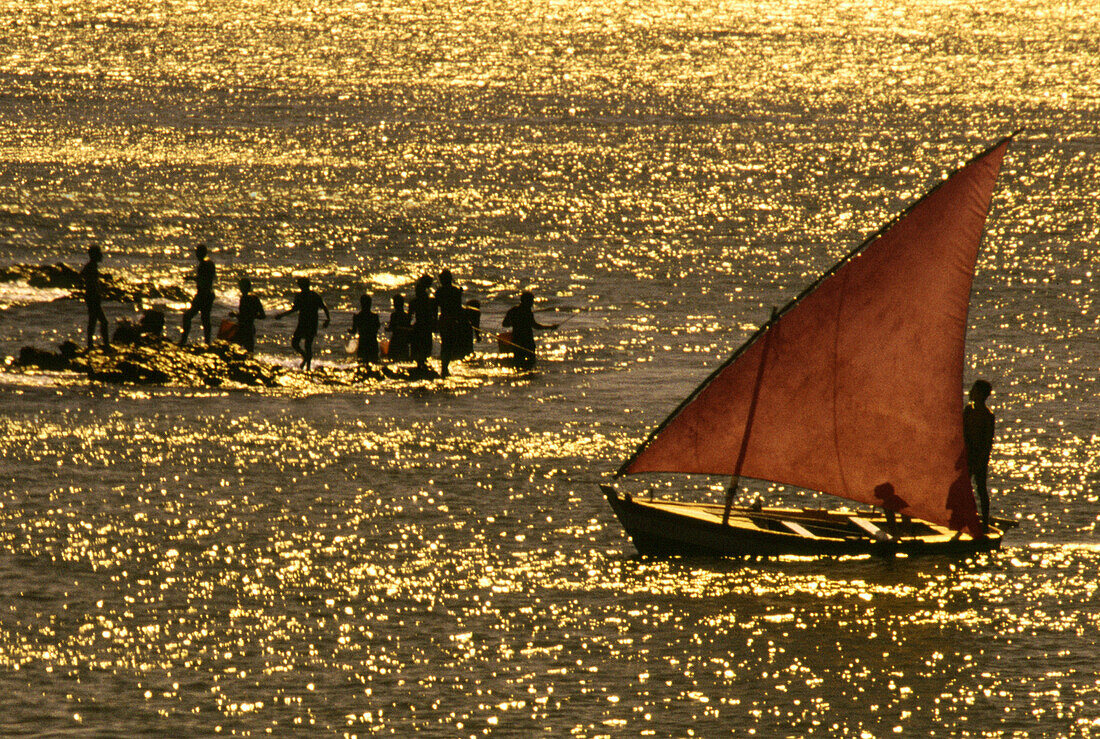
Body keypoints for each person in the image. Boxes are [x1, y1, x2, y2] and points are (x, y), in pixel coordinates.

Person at [276, 277, 330, 370]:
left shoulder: (309, 296)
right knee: (297, 343)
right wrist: (328, 319)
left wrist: (328, 319)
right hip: (306, 323)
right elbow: (324, 308)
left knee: (305, 345)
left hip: (308, 323)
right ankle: (306, 358)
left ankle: (307, 365)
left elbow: (323, 307)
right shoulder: (310, 295)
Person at [963, 379, 996, 532]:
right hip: (966, 454)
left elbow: (988, 441)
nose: (972, 394)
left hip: (979, 455)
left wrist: (981, 459)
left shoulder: (988, 415)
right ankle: (964, 518)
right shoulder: (968, 410)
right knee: (964, 489)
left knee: (981, 489)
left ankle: (984, 523)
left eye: (976, 391)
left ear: (983, 395)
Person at [501, 290, 557, 371]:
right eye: (531, 301)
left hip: (517, 340)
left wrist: (514, 323)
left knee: (518, 362)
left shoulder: (513, 310)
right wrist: (550, 327)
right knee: (530, 362)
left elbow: (505, 324)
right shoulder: (527, 312)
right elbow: (535, 326)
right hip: (527, 341)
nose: (532, 303)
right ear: (526, 301)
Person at [435, 269, 468, 378]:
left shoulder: (439, 292)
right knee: (449, 345)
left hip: (444, 319)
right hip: (453, 320)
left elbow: (437, 306)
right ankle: (445, 368)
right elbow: (458, 308)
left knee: (445, 344)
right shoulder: (456, 291)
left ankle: (444, 368)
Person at [179, 243, 216, 345]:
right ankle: (207, 342)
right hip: (208, 295)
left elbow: (203, 280)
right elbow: (206, 278)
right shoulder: (209, 263)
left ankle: (183, 340)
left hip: (203, 295)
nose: (196, 255)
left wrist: (192, 279)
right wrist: (191, 278)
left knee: (187, 316)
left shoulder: (204, 264)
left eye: (198, 252)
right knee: (205, 319)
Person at [80, 245, 110, 350]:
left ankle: (90, 344)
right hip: (92, 297)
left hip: (91, 296)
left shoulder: (91, 267)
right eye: (99, 254)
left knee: (93, 320)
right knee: (103, 321)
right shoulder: (91, 267)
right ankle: (105, 345)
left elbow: (84, 276)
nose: (101, 256)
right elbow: (91, 281)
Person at [408, 274, 436, 373]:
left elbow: (409, 317)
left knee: (418, 350)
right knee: (425, 350)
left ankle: (420, 366)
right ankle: (422, 366)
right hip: (426, 327)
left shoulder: (415, 302)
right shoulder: (431, 302)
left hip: (420, 326)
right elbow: (434, 317)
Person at [233, 277, 266, 353]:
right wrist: (252, 316)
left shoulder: (244, 298)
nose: (240, 289)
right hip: (250, 328)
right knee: (249, 351)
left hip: (243, 328)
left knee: (236, 350)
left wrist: (235, 315)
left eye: (241, 286)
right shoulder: (255, 298)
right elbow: (262, 315)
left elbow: (243, 316)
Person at [351, 294, 381, 365]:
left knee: (361, 363)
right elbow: (377, 328)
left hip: (363, 343)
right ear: (370, 304)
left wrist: (349, 331)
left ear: (361, 304)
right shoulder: (375, 316)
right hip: (372, 342)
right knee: (374, 362)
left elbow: (354, 331)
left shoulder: (357, 317)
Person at [386, 294, 412, 362]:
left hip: (395, 340)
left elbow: (391, 327)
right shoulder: (406, 316)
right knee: (404, 359)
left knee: (393, 359)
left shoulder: (394, 315)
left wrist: (387, 329)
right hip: (404, 341)